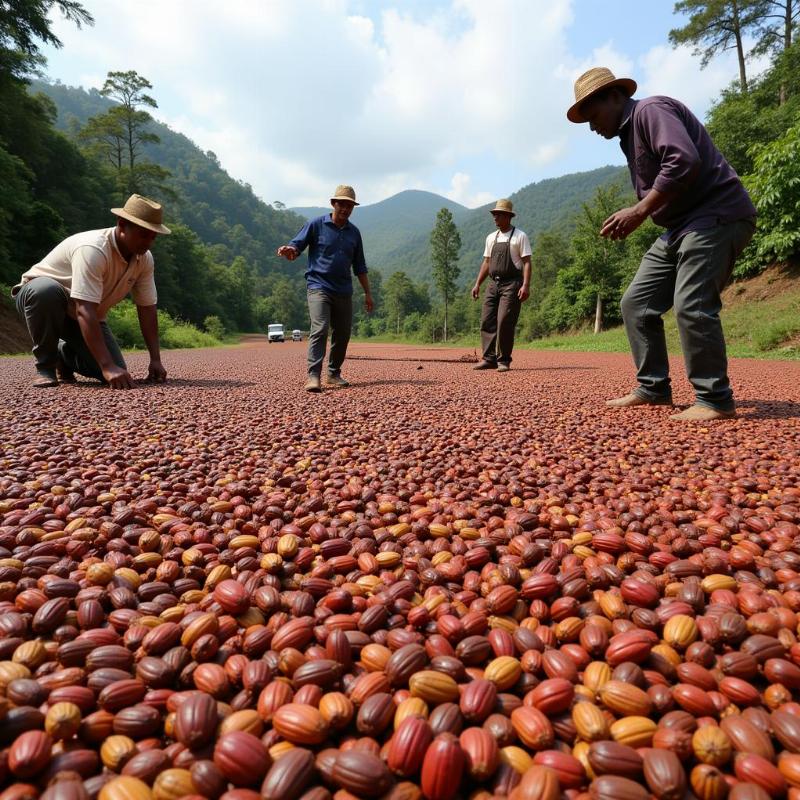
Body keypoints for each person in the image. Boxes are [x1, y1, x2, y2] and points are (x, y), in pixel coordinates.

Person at [567, 67, 757, 421]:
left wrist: (639, 211)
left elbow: (683, 159)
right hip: (679, 226)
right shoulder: (628, 136)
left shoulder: (650, 111)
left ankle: (715, 399)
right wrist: (643, 213)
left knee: (692, 304)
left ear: (614, 97)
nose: (592, 128)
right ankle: (653, 388)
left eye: (592, 116)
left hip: (716, 215)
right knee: (636, 303)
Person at [13, 194, 171, 389]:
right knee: (47, 291)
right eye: (143, 234)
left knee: (117, 369)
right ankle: (45, 367)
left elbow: (147, 308)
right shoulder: (93, 249)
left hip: (82, 315)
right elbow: (84, 309)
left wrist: (155, 359)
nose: (148, 242)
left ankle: (63, 355)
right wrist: (107, 365)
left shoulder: (144, 260)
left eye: (153, 236)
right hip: (40, 300)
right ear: (122, 225)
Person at [276, 184, 373, 392]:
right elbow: (297, 246)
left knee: (343, 333)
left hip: (344, 290)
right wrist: (290, 250)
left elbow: (360, 266)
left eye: (350, 206)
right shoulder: (316, 225)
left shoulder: (354, 233)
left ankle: (333, 373)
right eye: (342, 204)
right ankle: (313, 376)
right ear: (333, 203)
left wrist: (367, 293)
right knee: (320, 328)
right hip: (318, 286)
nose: (346, 209)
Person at [471, 199, 532, 372]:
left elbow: (527, 262)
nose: (495, 218)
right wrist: (477, 284)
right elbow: (487, 262)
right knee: (487, 320)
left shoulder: (520, 236)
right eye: (494, 214)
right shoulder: (491, 237)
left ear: (508, 216)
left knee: (505, 320)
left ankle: (504, 359)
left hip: (512, 283)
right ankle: (488, 359)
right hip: (493, 283)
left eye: (498, 215)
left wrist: (525, 285)